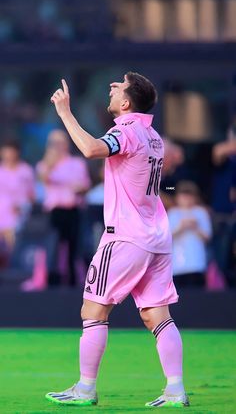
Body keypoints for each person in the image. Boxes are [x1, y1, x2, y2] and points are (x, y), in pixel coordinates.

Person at [45, 73, 189, 408]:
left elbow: (92, 149)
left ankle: (85, 388)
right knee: (157, 316)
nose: (110, 86)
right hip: (157, 238)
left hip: (126, 237)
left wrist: (65, 113)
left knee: (93, 310)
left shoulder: (126, 130)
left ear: (126, 103)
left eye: (118, 87)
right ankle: (175, 389)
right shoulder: (153, 136)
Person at [36, 129, 91, 286]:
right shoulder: (45, 164)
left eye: (60, 142)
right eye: (54, 143)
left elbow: (84, 185)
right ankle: (52, 279)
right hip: (54, 211)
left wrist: (75, 187)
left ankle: (73, 280)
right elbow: (43, 177)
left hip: (73, 209)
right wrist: (51, 162)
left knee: (74, 247)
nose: (58, 146)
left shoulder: (77, 163)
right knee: (52, 246)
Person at [168, 181, 212, 287]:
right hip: (177, 265)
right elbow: (166, 238)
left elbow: (207, 237)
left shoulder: (201, 212)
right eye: (184, 197)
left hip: (197, 264)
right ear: (177, 197)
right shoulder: (172, 213)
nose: (186, 200)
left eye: (189, 197)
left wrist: (195, 227)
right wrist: (180, 227)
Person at [0, 139, 35, 254]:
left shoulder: (26, 171)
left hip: (17, 218)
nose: (8, 155)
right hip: (2, 215)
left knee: (14, 253)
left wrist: (23, 207)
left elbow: (32, 196)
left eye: (11, 152)